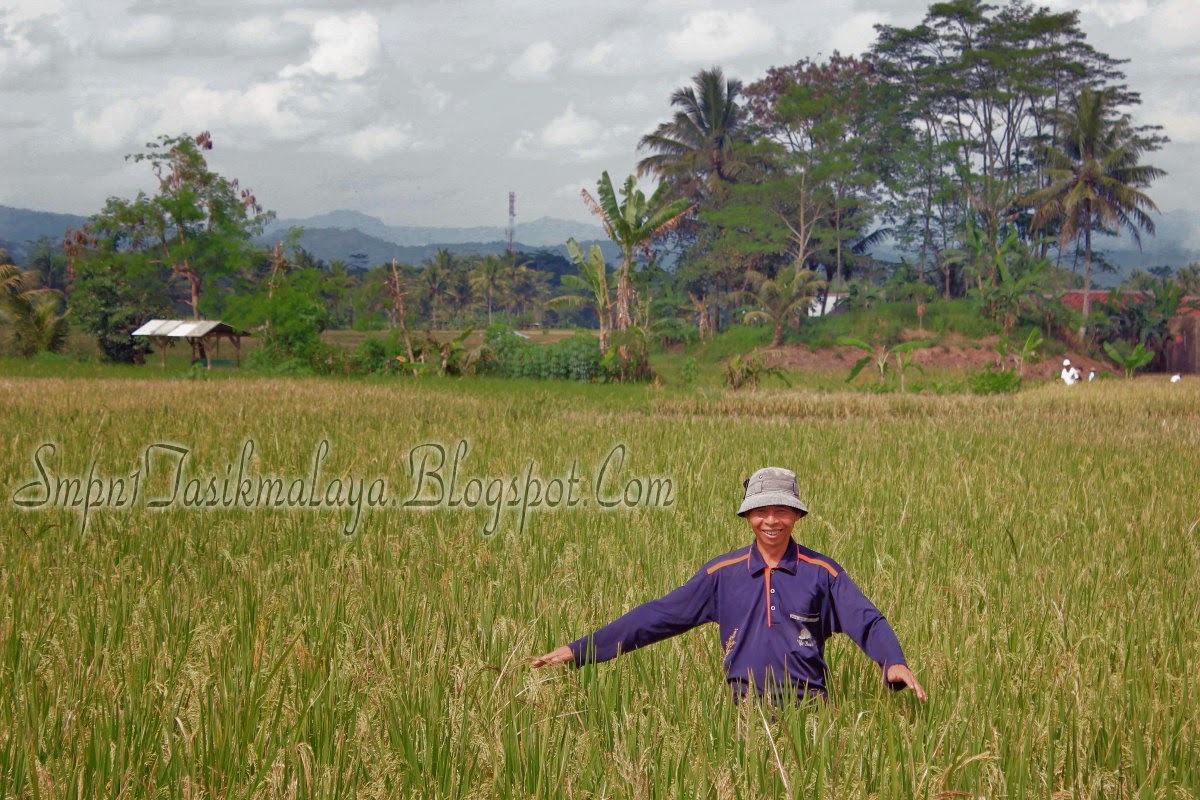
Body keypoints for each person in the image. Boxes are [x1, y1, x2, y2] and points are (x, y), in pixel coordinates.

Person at [532, 467, 927, 704]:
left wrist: (893, 660)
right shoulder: (723, 574)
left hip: (810, 715)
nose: (771, 520)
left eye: (781, 511)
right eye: (761, 511)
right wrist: (578, 650)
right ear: (747, 516)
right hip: (743, 717)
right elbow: (657, 616)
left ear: (796, 516)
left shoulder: (821, 572)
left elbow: (867, 620)